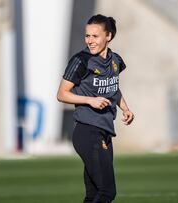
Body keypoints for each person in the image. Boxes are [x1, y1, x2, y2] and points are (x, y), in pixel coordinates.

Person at [57, 14, 134, 203]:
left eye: (95, 36)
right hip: (87, 131)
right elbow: (62, 94)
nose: (90, 41)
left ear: (108, 36)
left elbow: (113, 87)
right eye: (87, 36)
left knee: (93, 195)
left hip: (105, 131)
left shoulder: (116, 60)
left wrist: (126, 109)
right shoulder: (81, 61)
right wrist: (89, 101)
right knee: (107, 192)